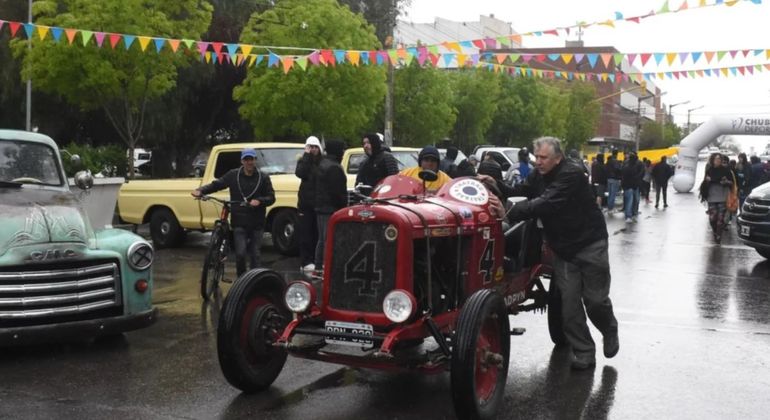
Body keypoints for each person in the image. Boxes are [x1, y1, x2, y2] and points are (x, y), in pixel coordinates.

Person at [505, 137, 618, 370]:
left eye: (544, 158)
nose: (538, 162)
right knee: (569, 306)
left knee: (595, 301)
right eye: (537, 157)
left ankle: (609, 329)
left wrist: (512, 212)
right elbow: (520, 192)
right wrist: (494, 185)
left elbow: (547, 202)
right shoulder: (537, 174)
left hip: (590, 243)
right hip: (563, 250)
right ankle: (584, 352)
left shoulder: (572, 174)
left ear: (558, 158)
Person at [192, 148, 275, 276]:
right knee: (240, 254)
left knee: (255, 255)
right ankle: (241, 280)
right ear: (242, 161)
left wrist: (259, 201)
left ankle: (255, 281)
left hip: (257, 222)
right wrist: (201, 190)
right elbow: (217, 184)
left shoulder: (263, 177)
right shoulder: (233, 175)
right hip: (239, 221)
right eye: (246, 159)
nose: (249, 162)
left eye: (251, 159)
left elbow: (271, 197)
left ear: (255, 160)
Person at [313, 140, 347, 272]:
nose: (343, 152)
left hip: (321, 207)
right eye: (342, 149)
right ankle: (327, 267)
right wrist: (343, 205)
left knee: (322, 239)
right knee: (329, 239)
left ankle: (318, 266)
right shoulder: (334, 167)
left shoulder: (323, 163)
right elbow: (337, 192)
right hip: (330, 208)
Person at [295, 136, 322, 273]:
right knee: (305, 234)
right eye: (310, 147)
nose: (313, 149)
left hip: (318, 204)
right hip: (305, 205)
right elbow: (300, 173)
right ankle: (305, 261)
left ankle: (316, 260)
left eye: (315, 147)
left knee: (317, 234)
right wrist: (306, 155)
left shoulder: (322, 163)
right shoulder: (303, 161)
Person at [702, 153, 733, 243]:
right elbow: (704, 183)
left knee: (720, 218)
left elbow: (732, 182)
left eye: (719, 159)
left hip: (722, 197)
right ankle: (715, 232)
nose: (718, 160)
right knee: (712, 218)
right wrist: (707, 181)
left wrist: (726, 182)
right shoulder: (709, 170)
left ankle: (719, 235)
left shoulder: (726, 170)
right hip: (712, 197)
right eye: (716, 159)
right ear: (712, 160)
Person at [621, 152, 644, 223]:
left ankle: (630, 215)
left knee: (629, 201)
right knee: (633, 200)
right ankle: (631, 214)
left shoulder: (626, 164)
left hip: (628, 186)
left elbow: (622, 176)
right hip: (633, 185)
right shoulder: (634, 165)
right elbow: (641, 173)